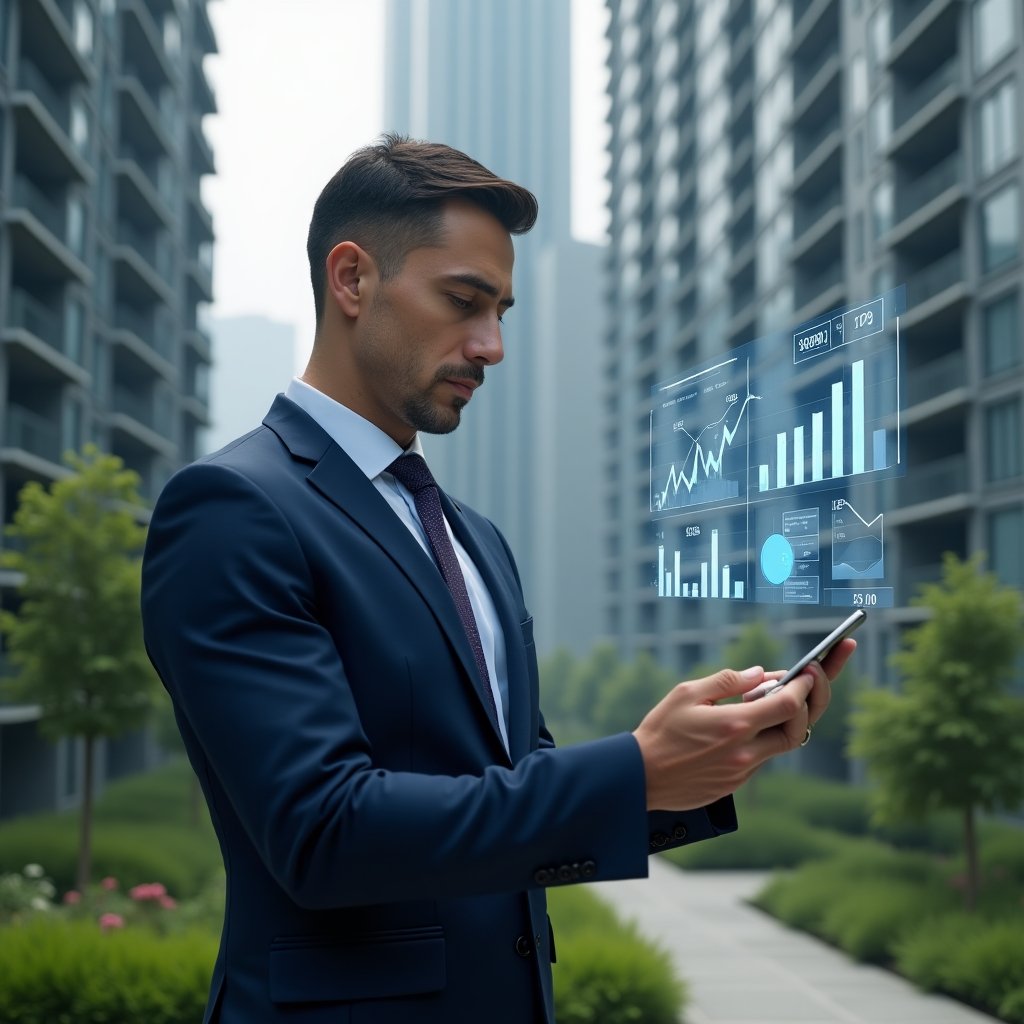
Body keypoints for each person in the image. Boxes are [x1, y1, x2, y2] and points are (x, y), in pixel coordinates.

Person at [141, 134, 854, 1024]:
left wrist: (701, 765)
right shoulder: (233, 508)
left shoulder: (471, 537)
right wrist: (633, 770)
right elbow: (324, 831)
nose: (493, 346)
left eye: (502, 312)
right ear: (352, 279)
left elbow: (515, 780)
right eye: (463, 301)